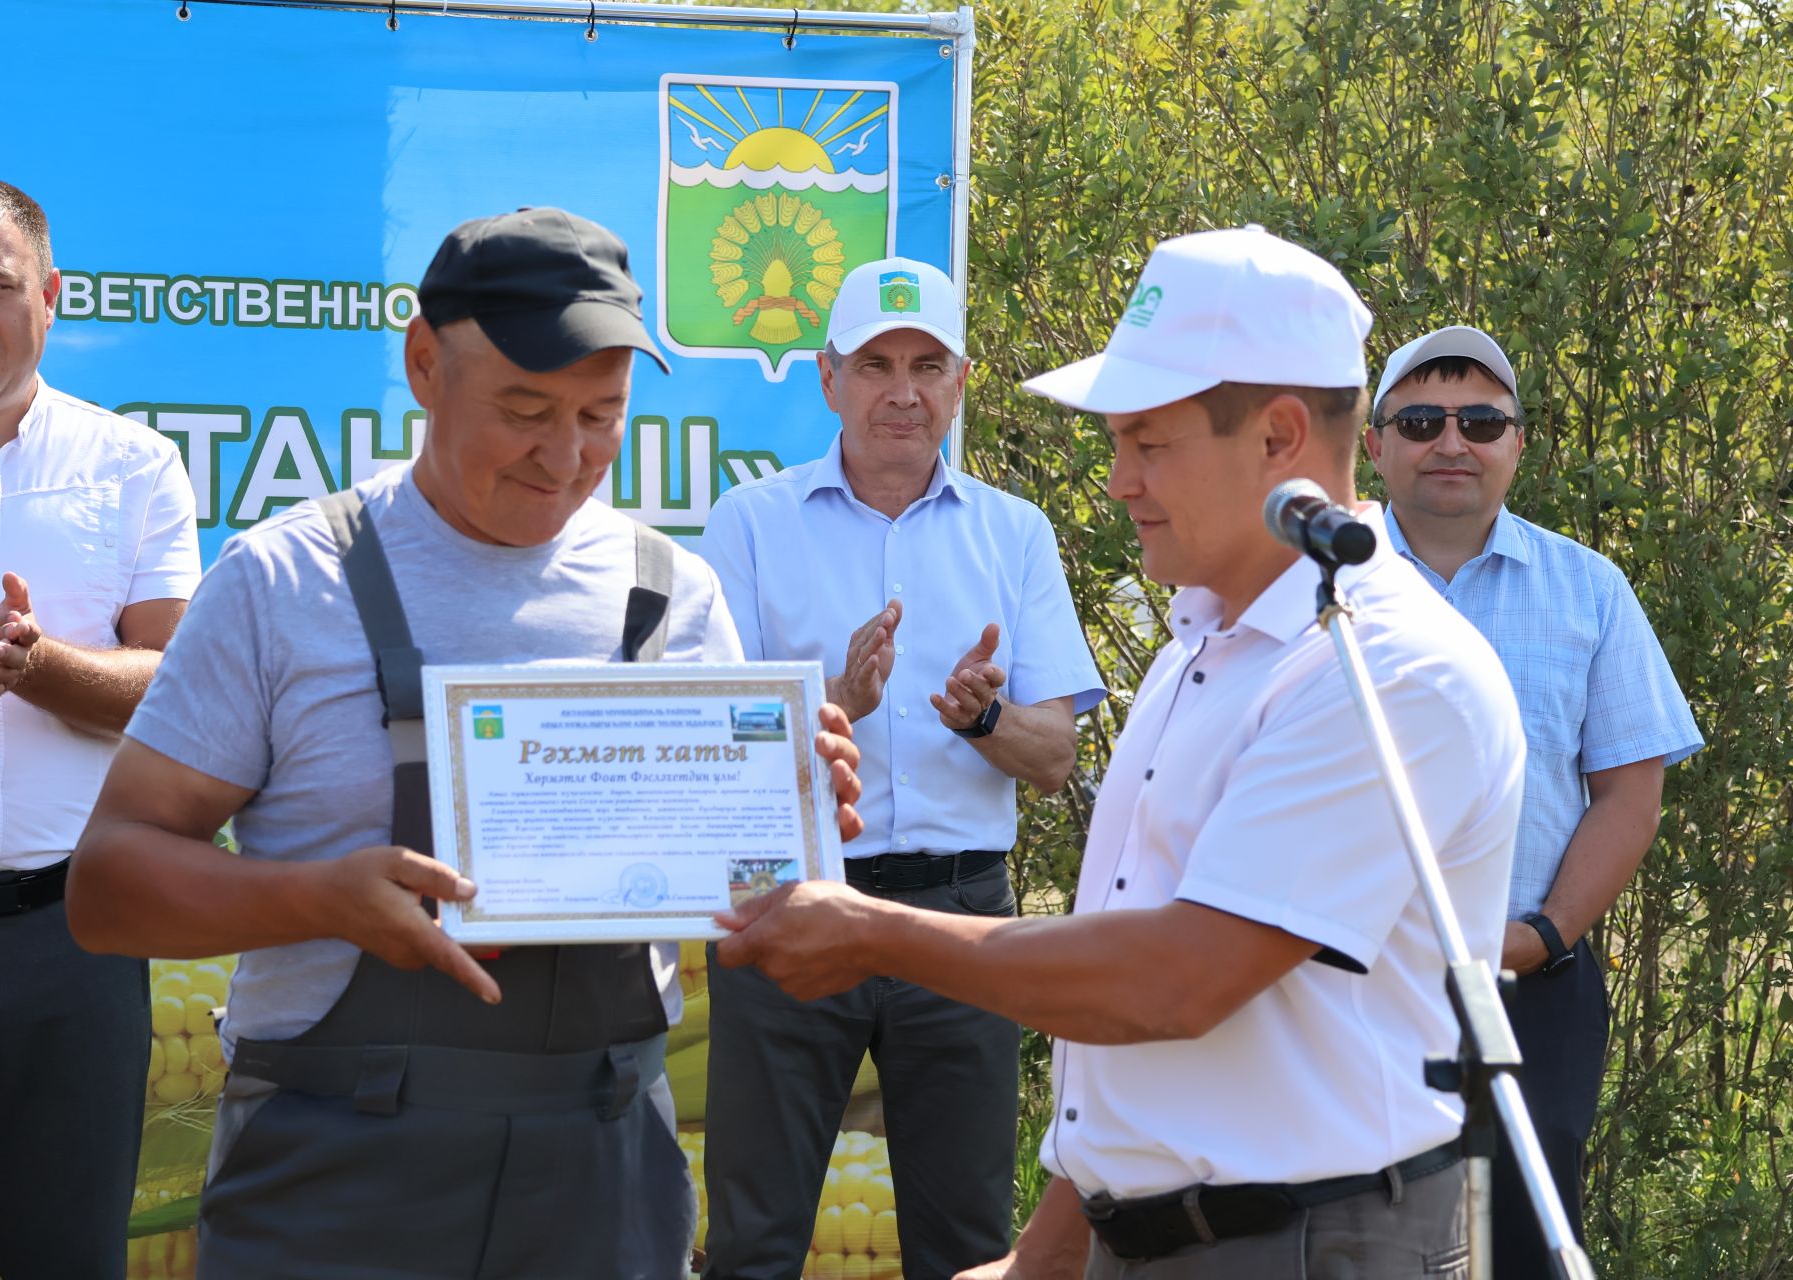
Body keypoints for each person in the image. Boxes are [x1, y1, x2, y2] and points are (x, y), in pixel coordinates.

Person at [712, 226, 1528, 1278]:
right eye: (1118, 443)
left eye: (1148, 441)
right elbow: (1145, 1043)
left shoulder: (1385, 670)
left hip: (1314, 1242)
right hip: (1171, 1236)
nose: (1117, 481)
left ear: (1280, 437)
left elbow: (1176, 979)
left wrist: (871, 933)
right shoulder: (1208, 647)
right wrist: (1041, 1255)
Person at [66, 208, 863, 1279]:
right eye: (526, 409)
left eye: (602, 413)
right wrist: (318, 899)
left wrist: (786, 816)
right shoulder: (281, 582)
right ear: (425, 364)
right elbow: (107, 887)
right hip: (333, 1180)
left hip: (602, 1177)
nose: (566, 454)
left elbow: (746, 914)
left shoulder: (673, 595)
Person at [697, 256, 1105, 1280]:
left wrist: (983, 717)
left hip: (958, 912)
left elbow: (1052, 756)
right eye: (877, 364)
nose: (904, 390)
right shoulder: (749, 522)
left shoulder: (1014, 530)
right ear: (830, 378)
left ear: (961, 381)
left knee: (965, 1243)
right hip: (788, 899)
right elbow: (707, 756)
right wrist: (837, 701)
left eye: (928, 364)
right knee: (754, 1243)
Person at [0, 177, 202, 1278]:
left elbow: (182, 688)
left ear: (51, 295)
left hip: (75, 930)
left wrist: (36, 666)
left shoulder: (133, 462)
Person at [1365, 326, 1702, 1276]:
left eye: (1481, 420)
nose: (1452, 442)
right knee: (1355, 1239)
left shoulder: (1589, 591)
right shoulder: (1316, 584)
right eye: (1423, 419)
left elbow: (1630, 794)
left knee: (1519, 1246)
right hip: (1344, 984)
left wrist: (1544, 936)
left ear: (1519, 443)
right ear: (1376, 441)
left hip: (1531, 985)